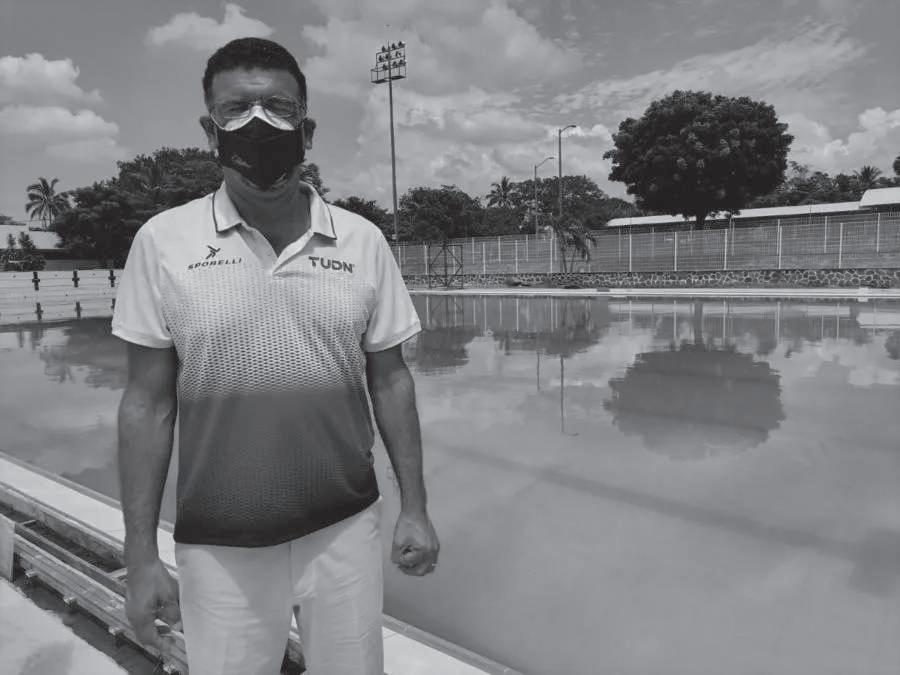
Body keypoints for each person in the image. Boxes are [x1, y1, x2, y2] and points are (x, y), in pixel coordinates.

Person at [112, 36, 439, 675]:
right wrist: (140, 552)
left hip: (345, 526)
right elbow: (147, 405)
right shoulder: (164, 242)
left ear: (307, 130)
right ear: (210, 129)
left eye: (279, 108)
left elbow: (391, 381)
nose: (257, 123)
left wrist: (416, 509)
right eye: (236, 109)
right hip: (220, 542)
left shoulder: (362, 241)